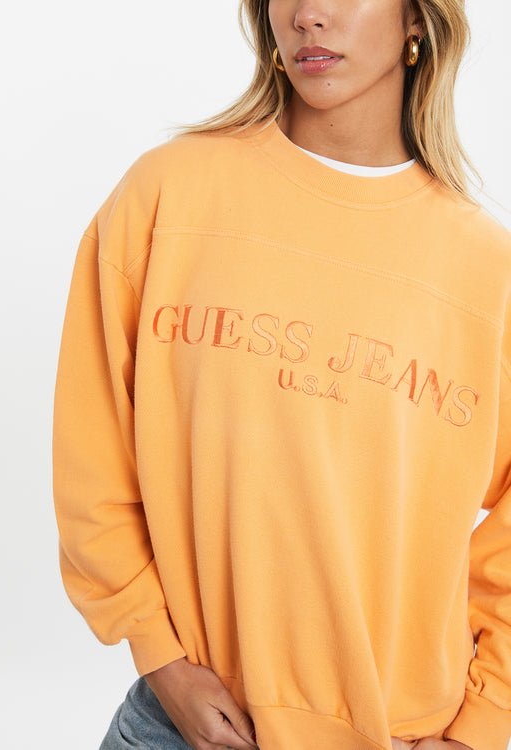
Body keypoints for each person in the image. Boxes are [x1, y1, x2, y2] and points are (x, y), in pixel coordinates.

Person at [52, 1, 511, 748]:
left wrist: (482, 726)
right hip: (186, 724)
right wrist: (157, 654)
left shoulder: (485, 270)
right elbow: (92, 452)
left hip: (399, 732)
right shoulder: (169, 194)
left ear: (416, 20)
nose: (308, 15)